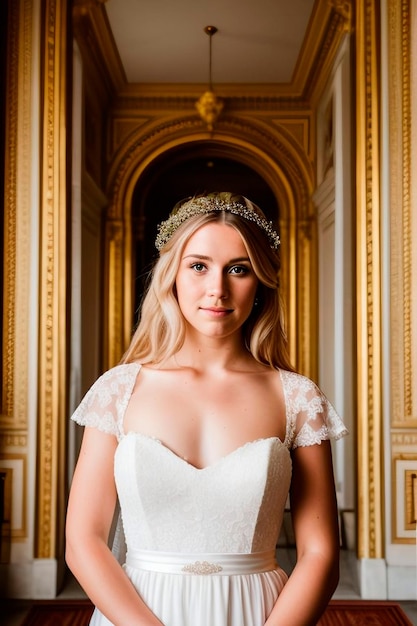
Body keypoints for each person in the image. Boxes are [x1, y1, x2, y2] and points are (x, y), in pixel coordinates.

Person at [66, 191, 348, 626]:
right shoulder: (118, 390)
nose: (217, 289)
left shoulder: (297, 398)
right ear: (171, 276)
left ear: (260, 282)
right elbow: (83, 541)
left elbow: (321, 553)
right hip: (137, 613)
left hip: (259, 614)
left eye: (238, 269)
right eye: (198, 266)